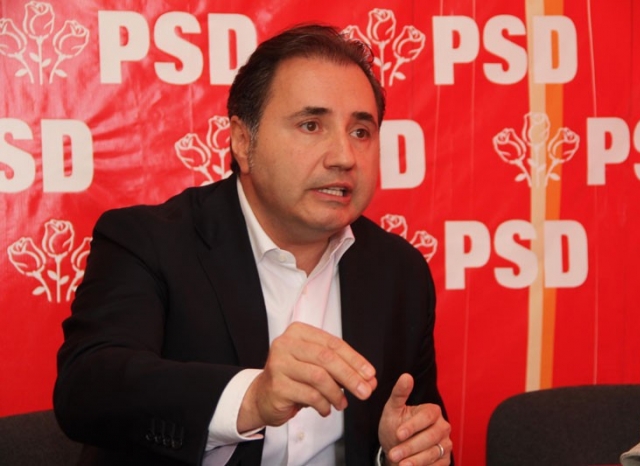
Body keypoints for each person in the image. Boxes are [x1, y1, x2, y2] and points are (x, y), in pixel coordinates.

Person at [54, 23, 452, 466]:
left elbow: (417, 431)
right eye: (311, 125)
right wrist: (250, 398)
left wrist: (403, 454)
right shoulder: (149, 241)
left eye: (361, 131)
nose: (344, 156)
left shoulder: (399, 270)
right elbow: (86, 389)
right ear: (243, 142)